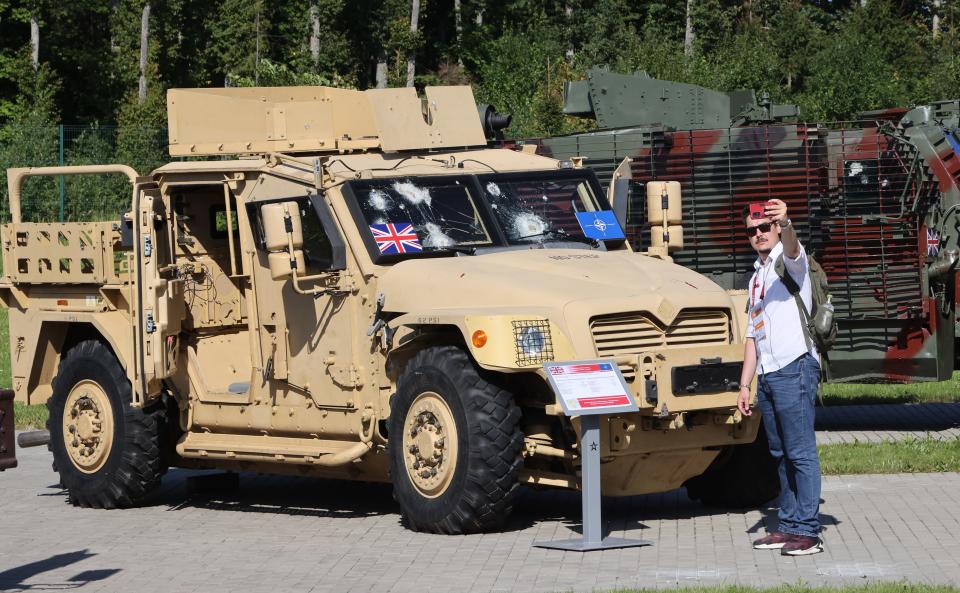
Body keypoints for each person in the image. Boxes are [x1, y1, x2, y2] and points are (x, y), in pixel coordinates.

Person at [736, 198, 823, 556]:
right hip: (769, 373)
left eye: (764, 228)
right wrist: (745, 384)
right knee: (779, 452)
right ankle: (787, 524)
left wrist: (786, 223)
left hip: (795, 365)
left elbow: (792, 246)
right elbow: (752, 335)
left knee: (800, 452)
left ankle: (808, 531)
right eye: (752, 231)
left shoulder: (791, 263)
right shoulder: (756, 277)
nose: (758, 234)